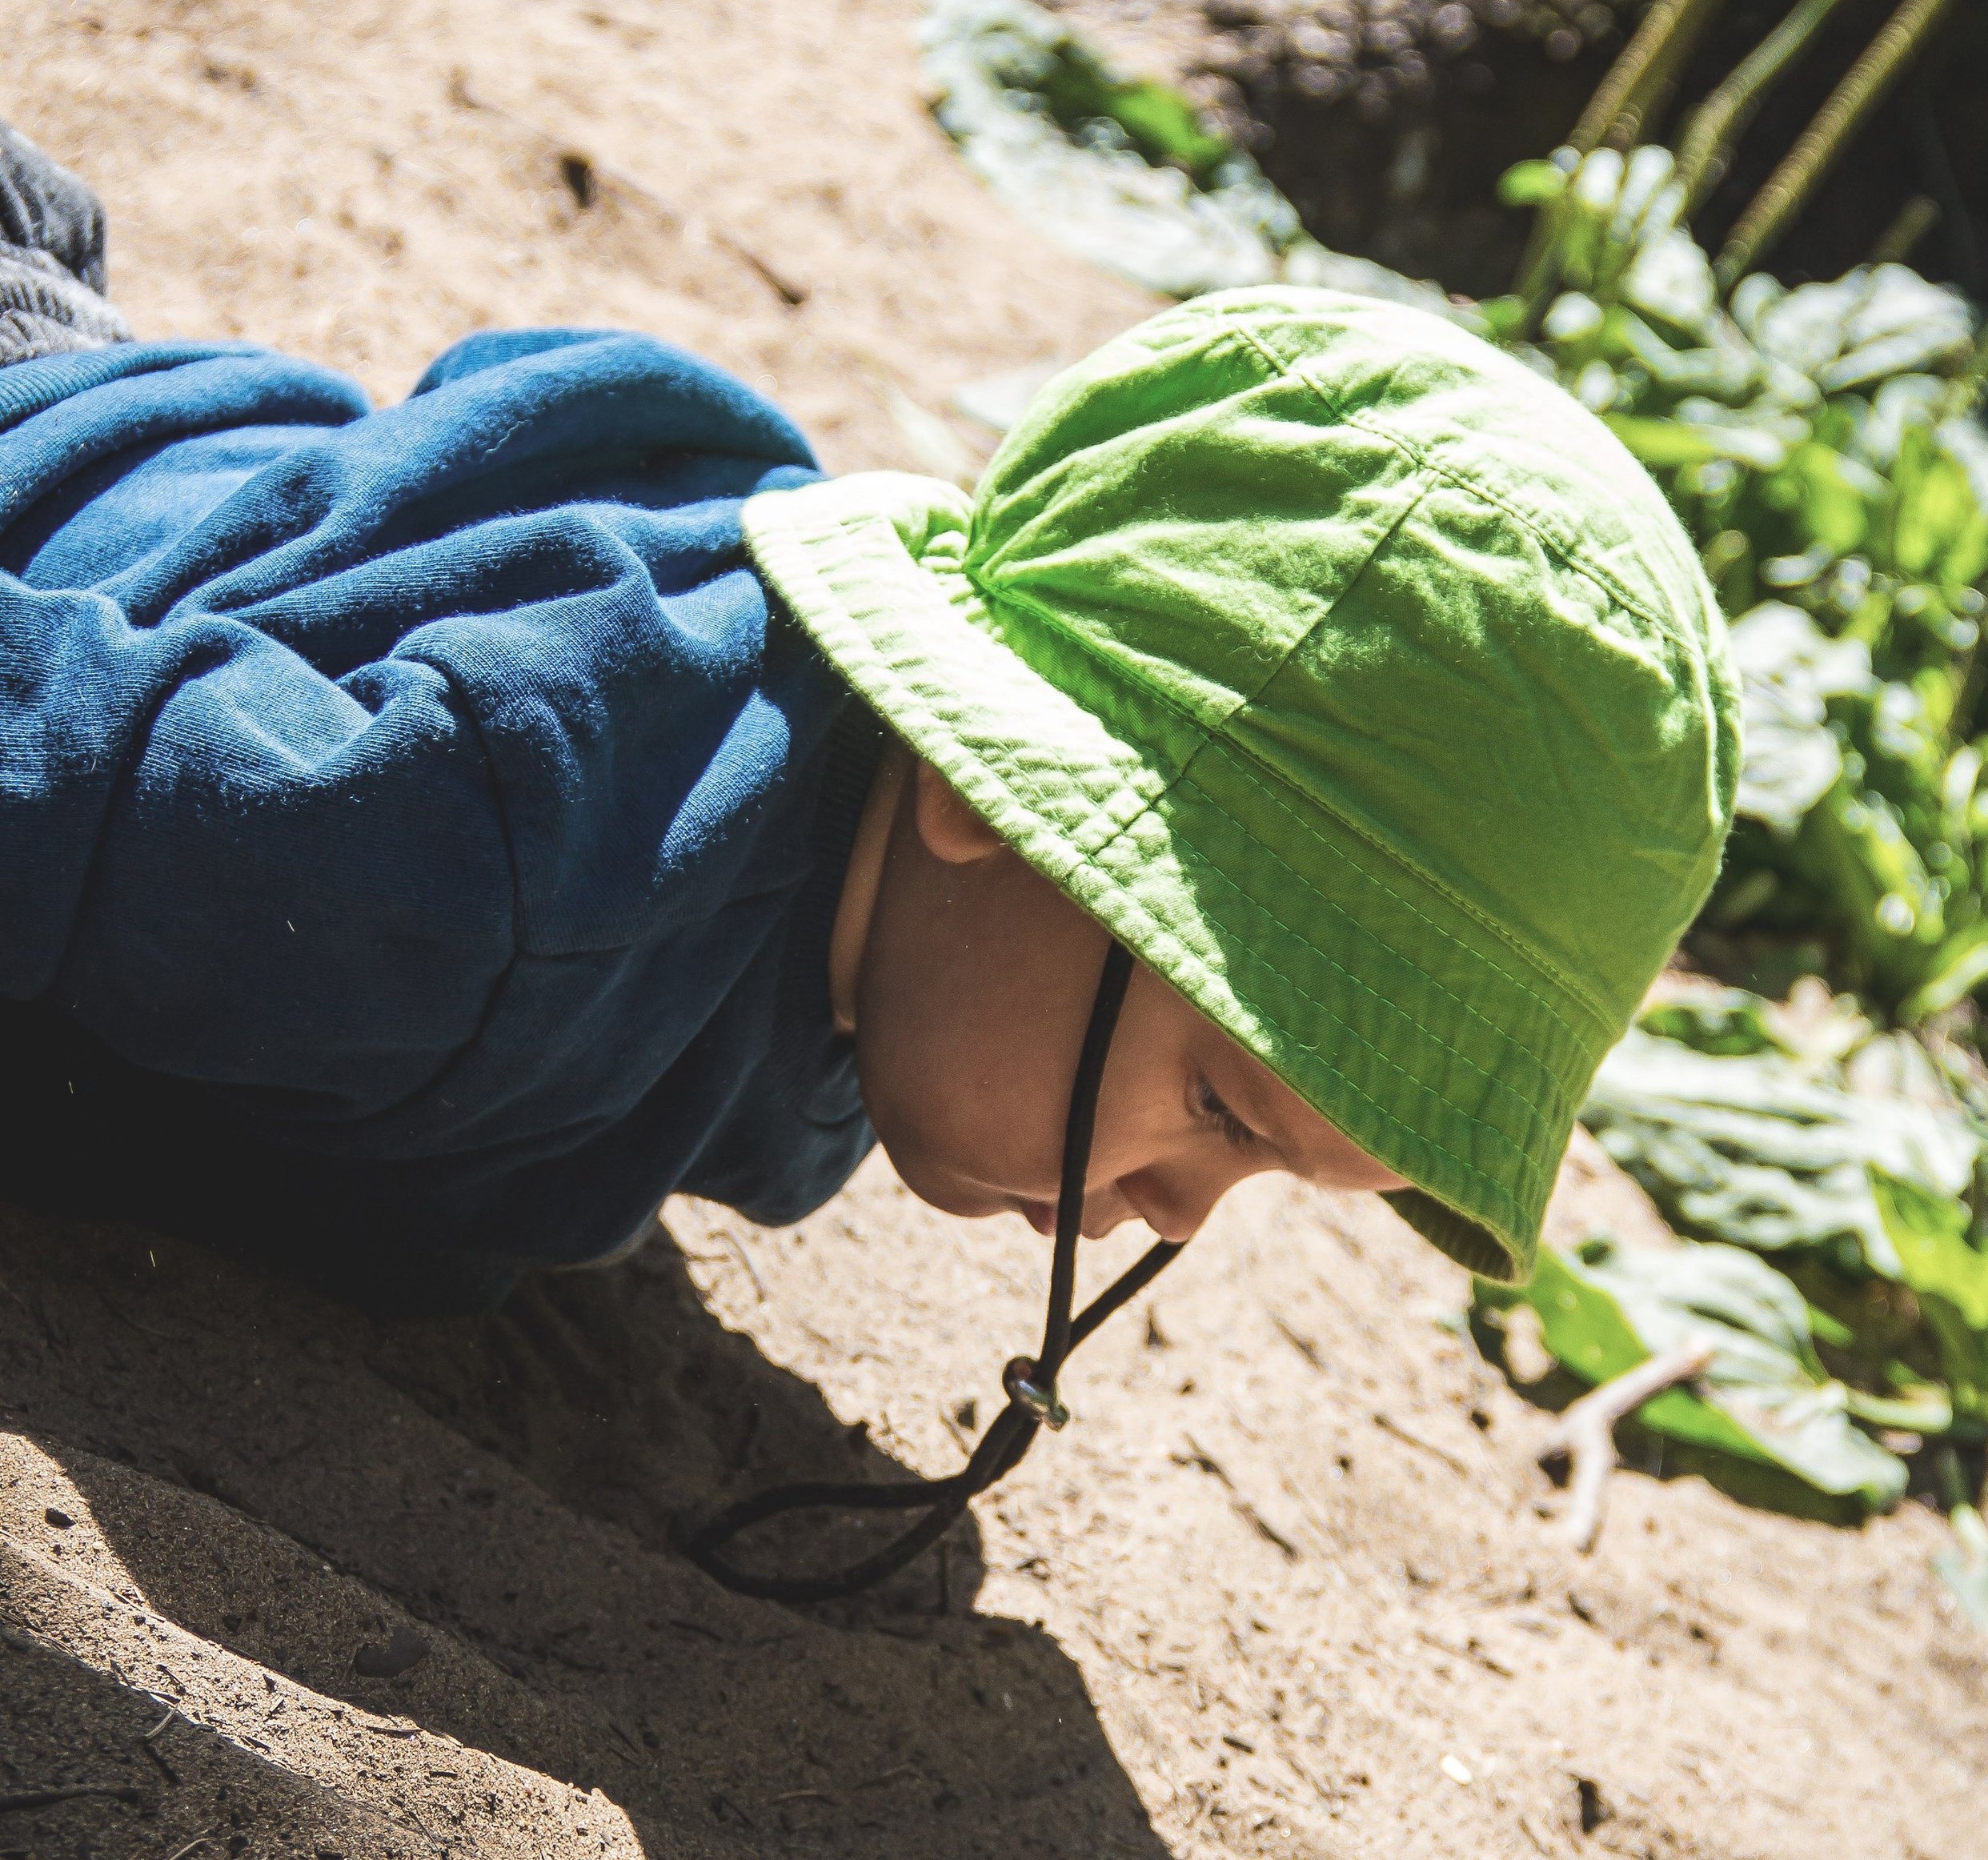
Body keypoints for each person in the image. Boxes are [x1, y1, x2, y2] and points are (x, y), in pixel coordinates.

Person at [0, 118, 1739, 1361]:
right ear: (986, 787)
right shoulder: (476, 874)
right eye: (1217, 1105)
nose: (1182, 1213)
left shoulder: (892, 983)